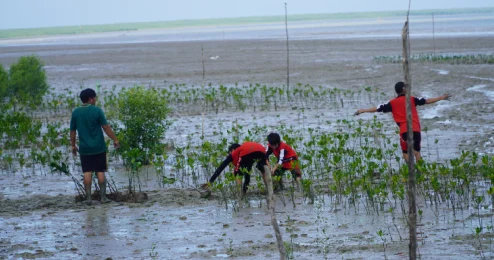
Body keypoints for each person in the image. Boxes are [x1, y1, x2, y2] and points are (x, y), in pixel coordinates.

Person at [354, 81, 451, 162]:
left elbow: (377, 108)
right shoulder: (412, 99)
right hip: (415, 128)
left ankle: (411, 171)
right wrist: (441, 98)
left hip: (404, 131)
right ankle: (420, 172)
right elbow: (427, 101)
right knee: (417, 152)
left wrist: (363, 110)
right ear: (404, 89)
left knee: (405, 153)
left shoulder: (392, 103)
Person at [70, 88, 120, 205]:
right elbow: (106, 127)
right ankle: (103, 198)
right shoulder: (97, 111)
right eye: (95, 97)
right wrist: (115, 139)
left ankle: (88, 199)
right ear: (90, 99)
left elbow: (72, 131)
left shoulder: (76, 112)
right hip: (99, 147)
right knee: (100, 171)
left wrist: (73, 145)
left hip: (84, 148)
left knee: (87, 172)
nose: (96, 100)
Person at [202, 142, 269, 196]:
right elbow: (247, 177)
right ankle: (269, 190)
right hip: (262, 150)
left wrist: (210, 182)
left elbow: (221, 167)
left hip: (251, 151)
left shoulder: (236, 153)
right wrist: (245, 190)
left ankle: (240, 194)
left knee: (238, 173)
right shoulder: (246, 153)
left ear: (233, 150)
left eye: (229, 153)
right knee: (261, 169)